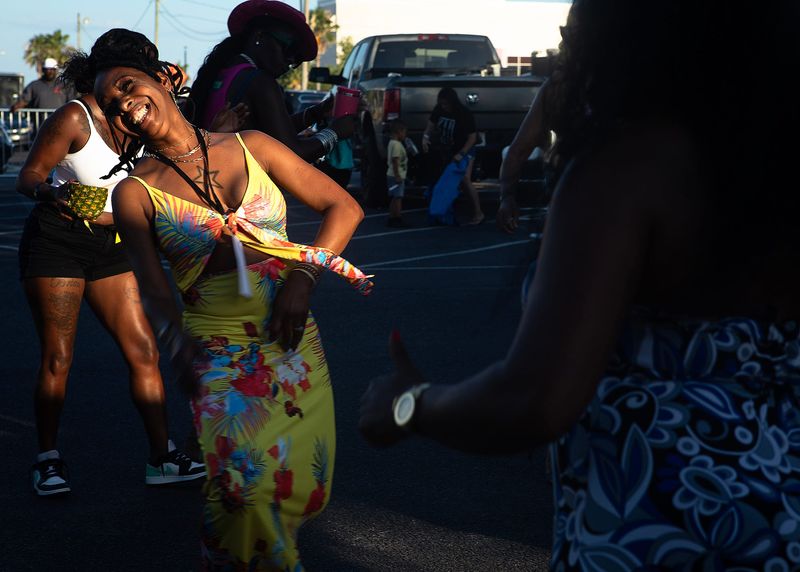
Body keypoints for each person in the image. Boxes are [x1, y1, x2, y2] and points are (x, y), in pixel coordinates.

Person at [359, 0, 800, 568]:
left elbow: (536, 399)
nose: (566, 46)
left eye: (579, 25)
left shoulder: (632, 168)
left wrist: (410, 405)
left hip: (662, 532)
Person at [90, 28, 372, 569]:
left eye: (128, 86)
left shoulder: (253, 146)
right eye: (112, 107)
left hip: (291, 346)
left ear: (166, 78)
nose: (125, 106)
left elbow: (345, 208)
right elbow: (154, 293)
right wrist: (180, 352)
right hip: (218, 355)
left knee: (304, 485)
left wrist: (302, 281)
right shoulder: (133, 193)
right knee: (241, 497)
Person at [16, 51, 207, 496]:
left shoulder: (141, 115)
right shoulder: (74, 118)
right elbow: (28, 175)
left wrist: (176, 96)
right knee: (58, 357)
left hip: (113, 243)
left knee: (143, 350)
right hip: (57, 241)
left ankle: (162, 457)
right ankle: (47, 459)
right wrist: (52, 194)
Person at [187, 0, 355, 164]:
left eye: (296, 60)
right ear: (260, 37)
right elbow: (292, 154)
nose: (289, 62)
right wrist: (335, 132)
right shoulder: (260, 82)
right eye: (289, 49)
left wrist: (315, 112)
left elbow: (275, 132)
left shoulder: (227, 70)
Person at [422, 87, 484, 226]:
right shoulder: (439, 110)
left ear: (453, 102)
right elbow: (430, 126)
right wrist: (425, 138)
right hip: (447, 150)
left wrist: (461, 154)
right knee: (447, 181)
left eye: (446, 104)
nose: (444, 107)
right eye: (442, 104)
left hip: (465, 150)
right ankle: (447, 212)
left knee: (465, 179)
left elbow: (472, 138)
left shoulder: (463, 114)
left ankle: (478, 213)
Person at [386, 119, 408, 227]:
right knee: (398, 197)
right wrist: (398, 175)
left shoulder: (392, 143)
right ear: (399, 132)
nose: (405, 135)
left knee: (395, 197)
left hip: (391, 175)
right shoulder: (397, 145)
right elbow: (395, 161)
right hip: (396, 176)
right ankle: (397, 217)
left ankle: (392, 217)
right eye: (404, 132)